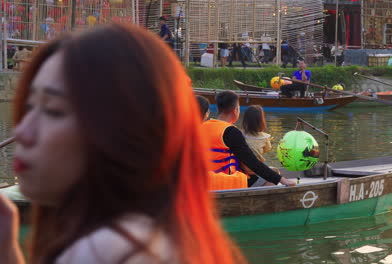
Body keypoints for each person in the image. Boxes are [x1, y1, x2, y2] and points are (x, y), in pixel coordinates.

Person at [0, 24, 245, 264]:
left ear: (122, 132)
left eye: (52, 110)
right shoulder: (146, 238)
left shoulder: (106, 250)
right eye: (29, 107)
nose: (22, 131)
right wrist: (7, 249)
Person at [201, 91, 296, 188]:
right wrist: (282, 179)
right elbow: (252, 162)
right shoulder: (230, 131)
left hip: (202, 180)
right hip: (225, 183)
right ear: (236, 110)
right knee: (269, 180)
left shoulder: (202, 126)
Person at [240, 105, 274, 176]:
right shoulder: (264, 138)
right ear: (261, 121)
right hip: (255, 170)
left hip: (241, 168)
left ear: (245, 120)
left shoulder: (239, 134)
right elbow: (267, 149)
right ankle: (264, 186)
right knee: (276, 172)